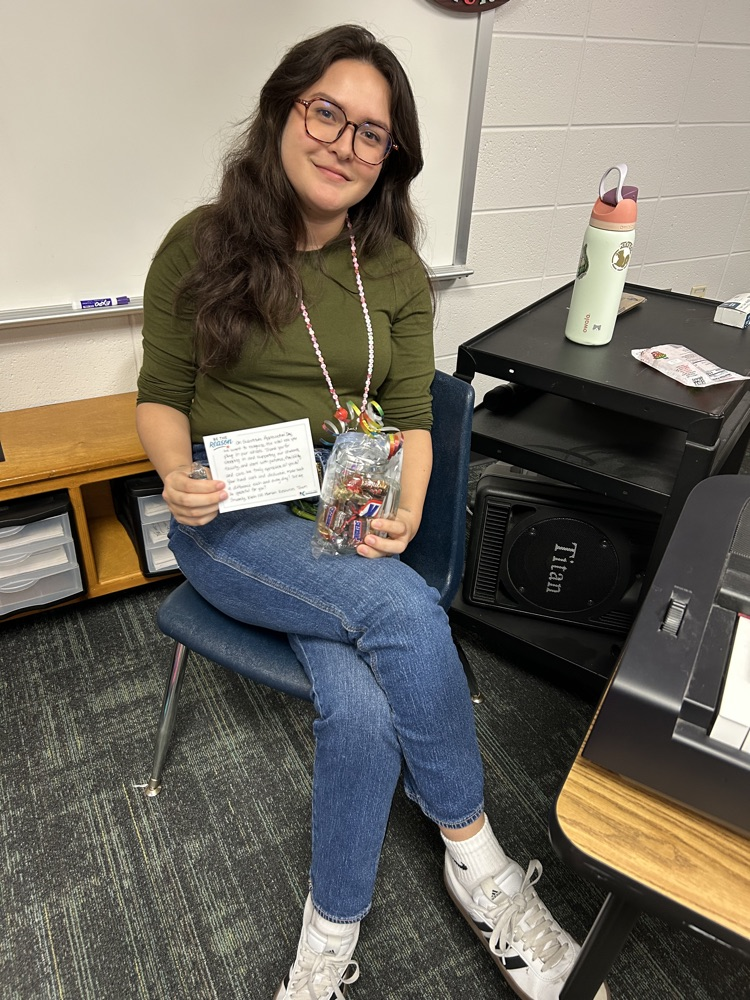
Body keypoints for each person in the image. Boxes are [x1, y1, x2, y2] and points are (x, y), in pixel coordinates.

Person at [136, 24, 609, 1000]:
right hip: (232, 513)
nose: (344, 144)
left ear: (391, 156)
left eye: (372, 133)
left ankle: (328, 931)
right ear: (283, 110)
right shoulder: (199, 243)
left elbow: (407, 419)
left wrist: (410, 503)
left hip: (342, 498)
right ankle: (480, 861)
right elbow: (159, 392)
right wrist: (175, 472)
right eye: (328, 113)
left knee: (358, 699)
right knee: (402, 612)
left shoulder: (390, 266)